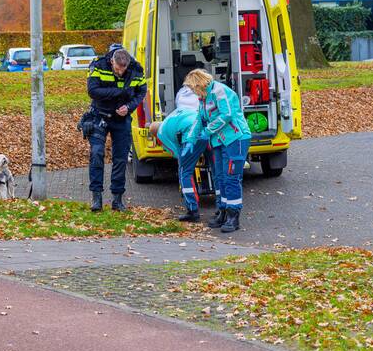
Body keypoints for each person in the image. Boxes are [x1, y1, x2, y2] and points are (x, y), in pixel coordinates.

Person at [183, 69, 251, 233]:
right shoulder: (203, 98)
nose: (193, 93)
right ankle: (223, 210)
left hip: (236, 138)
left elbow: (227, 114)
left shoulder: (219, 91)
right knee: (219, 177)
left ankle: (234, 216)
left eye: (193, 89)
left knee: (231, 178)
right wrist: (190, 139)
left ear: (199, 84)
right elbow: (200, 119)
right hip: (219, 141)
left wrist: (208, 131)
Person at [86, 46, 146, 212]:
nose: (120, 72)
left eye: (123, 69)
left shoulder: (136, 70)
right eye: (117, 68)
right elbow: (92, 91)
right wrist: (119, 93)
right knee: (97, 154)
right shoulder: (98, 66)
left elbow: (141, 92)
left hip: (122, 118)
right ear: (112, 61)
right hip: (100, 115)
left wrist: (129, 106)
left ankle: (117, 200)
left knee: (120, 159)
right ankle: (96, 198)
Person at [148, 86, 206, 222]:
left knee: (184, 172)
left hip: (192, 136)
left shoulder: (161, 134)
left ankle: (193, 210)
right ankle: (222, 208)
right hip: (206, 131)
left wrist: (185, 159)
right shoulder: (173, 116)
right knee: (216, 171)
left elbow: (176, 153)